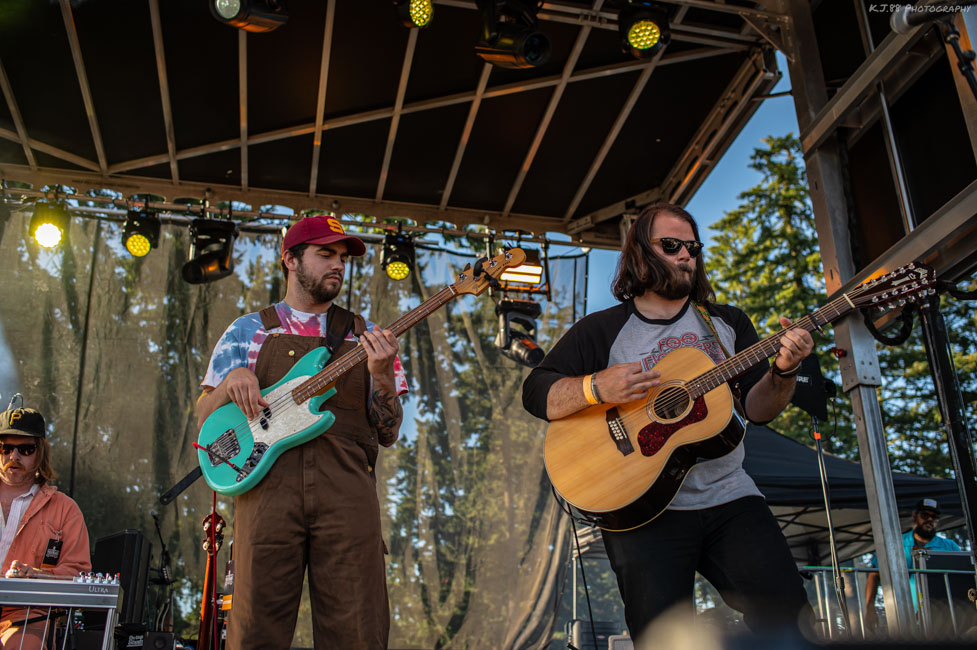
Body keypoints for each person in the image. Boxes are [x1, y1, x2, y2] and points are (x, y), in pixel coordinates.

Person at [522, 203, 815, 640]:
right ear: (640, 252)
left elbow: (758, 409)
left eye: (692, 247)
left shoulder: (727, 323)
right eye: (672, 245)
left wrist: (784, 371)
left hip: (730, 497)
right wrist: (595, 388)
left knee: (791, 622)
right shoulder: (601, 330)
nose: (686, 256)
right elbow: (535, 392)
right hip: (639, 507)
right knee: (662, 640)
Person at [196, 215, 408, 649]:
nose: (338, 266)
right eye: (325, 254)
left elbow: (388, 431)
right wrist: (232, 380)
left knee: (358, 628)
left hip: (347, 492)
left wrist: (382, 376)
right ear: (290, 260)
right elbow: (203, 419)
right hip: (265, 492)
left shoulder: (366, 335)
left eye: (343, 258)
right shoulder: (247, 330)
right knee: (254, 628)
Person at [0, 405, 91, 650]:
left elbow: (79, 574)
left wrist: (39, 575)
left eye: (25, 449)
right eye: (6, 448)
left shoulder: (65, 509)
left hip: (28, 613)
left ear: (40, 452)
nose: (14, 457)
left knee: (22, 644)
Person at [863, 497, 961, 630]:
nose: (930, 520)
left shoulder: (949, 546)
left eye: (934, 517)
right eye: (925, 515)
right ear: (915, 516)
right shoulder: (896, 543)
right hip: (902, 617)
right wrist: (869, 608)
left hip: (944, 617)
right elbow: (874, 575)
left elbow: (962, 579)